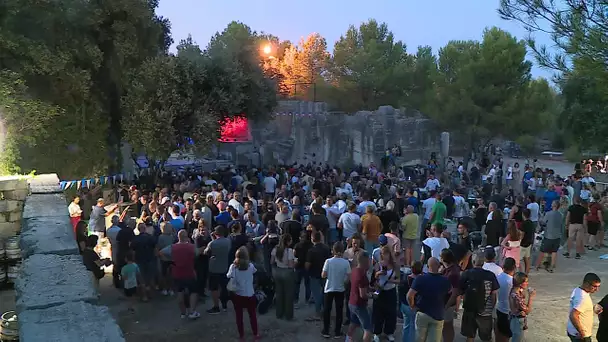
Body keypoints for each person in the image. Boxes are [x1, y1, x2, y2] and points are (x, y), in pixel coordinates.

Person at [449, 252, 499, 342]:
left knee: (470, 336)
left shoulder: (466, 274)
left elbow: (459, 292)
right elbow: (494, 294)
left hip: (469, 309)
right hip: (485, 311)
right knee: (486, 338)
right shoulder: (490, 275)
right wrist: (492, 307)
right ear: (483, 263)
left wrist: (457, 308)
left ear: (473, 262)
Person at [159, 229, 202, 319]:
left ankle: (183, 313)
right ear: (186, 237)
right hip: (189, 271)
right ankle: (192, 311)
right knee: (193, 292)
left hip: (177, 272)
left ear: (178, 237)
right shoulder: (191, 247)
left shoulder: (172, 247)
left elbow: (161, 252)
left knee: (179, 292)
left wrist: (170, 261)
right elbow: (197, 253)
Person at [407, 257, 451, 342]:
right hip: (438, 314)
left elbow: (409, 295)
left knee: (419, 339)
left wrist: (412, 306)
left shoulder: (420, 279)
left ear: (427, 266)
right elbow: (450, 294)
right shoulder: (445, 280)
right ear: (439, 266)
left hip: (422, 312)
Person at [227, 246, 259, 341]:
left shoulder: (233, 267)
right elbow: (255, 272)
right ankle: (255, 333)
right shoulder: (251, 266)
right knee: (252, 315)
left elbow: (228, 275)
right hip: (249, 293)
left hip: (238, 294)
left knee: (239, 316)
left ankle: (241, 335)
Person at [321, 241, 351, 338]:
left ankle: (326, 330)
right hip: (340, 288)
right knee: (339, 311)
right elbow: (348, 277)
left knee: (327, 310)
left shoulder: (328, 261)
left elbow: (323, 275)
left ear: (333, 250)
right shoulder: (346, 262)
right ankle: (337, 331)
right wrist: (344, 281)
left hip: (329, 288)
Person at [371, 245, 399, 342]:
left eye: (386, 253)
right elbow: (373, 278)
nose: (385, 256)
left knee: (391, 312)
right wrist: (378, 274)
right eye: (383, 254)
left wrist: (392, 281)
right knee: (378, 312)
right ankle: (376, 332)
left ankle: (389, 332)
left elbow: (399, 280)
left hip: (391, 290)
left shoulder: (394, 265)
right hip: (380, 290)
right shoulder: (378, 264)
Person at [346, 251, 373, 342]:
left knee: (353, 323)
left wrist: (369, 288)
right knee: (368, 328)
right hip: (359, 305)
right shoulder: (362, 275)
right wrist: (372, 296)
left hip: (351, 302)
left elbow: (357, 286)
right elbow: (363, 295)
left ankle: (348, 339)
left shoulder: (354, 271)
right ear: (365, 261)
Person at [567, 273, 601, 341]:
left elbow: (578, 305)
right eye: (594, 286)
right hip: (580, 335)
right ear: (586, 284)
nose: (597, 289)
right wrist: (581, 332)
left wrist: (591, 308)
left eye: (598, 286)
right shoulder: (583, 298)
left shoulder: (577, 290)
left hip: (572, 331)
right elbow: (573, 315)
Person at [271, 233, 296, 321]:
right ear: (288, 241)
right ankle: (288, 315)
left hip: (277, 272)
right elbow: (290, 265)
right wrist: (295, 261)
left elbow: (272, 261)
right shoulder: (289, 251)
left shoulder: (275, 249)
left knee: (279, 293)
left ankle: (279, 313)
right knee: (288, 295)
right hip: (287, 273)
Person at [536, 200, 563, 272]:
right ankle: (552, 266)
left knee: (542, 251)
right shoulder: (560, 215)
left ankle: (537, 265)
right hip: (557, 236)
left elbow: (543, 222)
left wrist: (540, 219)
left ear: (554, 206)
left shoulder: (548, 214)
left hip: (548, 235)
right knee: (554, 251)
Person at [440, 249, 461, 342]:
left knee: (447, 325)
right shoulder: (449, 269)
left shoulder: (453, 273)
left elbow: (455, 292)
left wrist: (447, 306)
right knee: (445, 326)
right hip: (445, 302)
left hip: (447, 303)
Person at [400, 261, 423, 342]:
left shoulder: (405, 278)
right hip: (413, 306)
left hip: (404, 305)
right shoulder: (420, 280)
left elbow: (401, 292)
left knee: (406, 325)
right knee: (413, 327)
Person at [509, 272, 535, 342]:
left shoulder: (514, 290)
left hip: (515, 319)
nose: (527, 283)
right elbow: (528, 311)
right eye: (526, 282)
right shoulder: (517, 296)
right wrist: (531, 297)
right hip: (517, 321)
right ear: (520, 283)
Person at [495, 257, 517, 342]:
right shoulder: (512, 281)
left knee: (499, 330)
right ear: (514, 267)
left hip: (499, 307)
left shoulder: (498, 277)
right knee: (506, 334)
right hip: (508, 309)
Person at [519, 208, 535, 274]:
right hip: (529, 243)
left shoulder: (523, 224)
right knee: (527, 260)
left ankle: (521, 274)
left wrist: (518, 242)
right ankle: (526, 274)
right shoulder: (532, 223)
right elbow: (533, 234)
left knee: (518, 260)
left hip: (522, 244)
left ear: (523, 215)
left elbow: (522, 235)